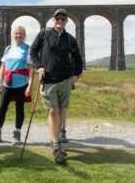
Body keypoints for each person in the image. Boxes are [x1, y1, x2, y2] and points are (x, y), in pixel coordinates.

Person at [30, 8, 83, 165]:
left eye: (63, 19)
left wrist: (76, 75)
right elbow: (32, 51)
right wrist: (39, 66)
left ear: (66, 21)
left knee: (61, 111)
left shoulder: (70, 39)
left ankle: (57, 140)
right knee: (52, 111)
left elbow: (78, 60)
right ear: (53, 20)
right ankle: (55, 146)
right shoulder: (44, 34)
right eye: (57, 19)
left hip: (65, 80)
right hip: (48, 80)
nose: (60, 21)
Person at [0, 26, 34, 146]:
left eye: (20, 34)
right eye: (16, 33)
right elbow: (3, 67)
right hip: (7, 83)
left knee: (20, 109)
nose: (18, 35)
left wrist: (30, 85)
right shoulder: (8, 48)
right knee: (2, 108)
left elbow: (30, 69)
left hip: (21, 84)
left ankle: (17, 135)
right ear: (13, 35)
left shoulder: (28, 49)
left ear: (24, 35)